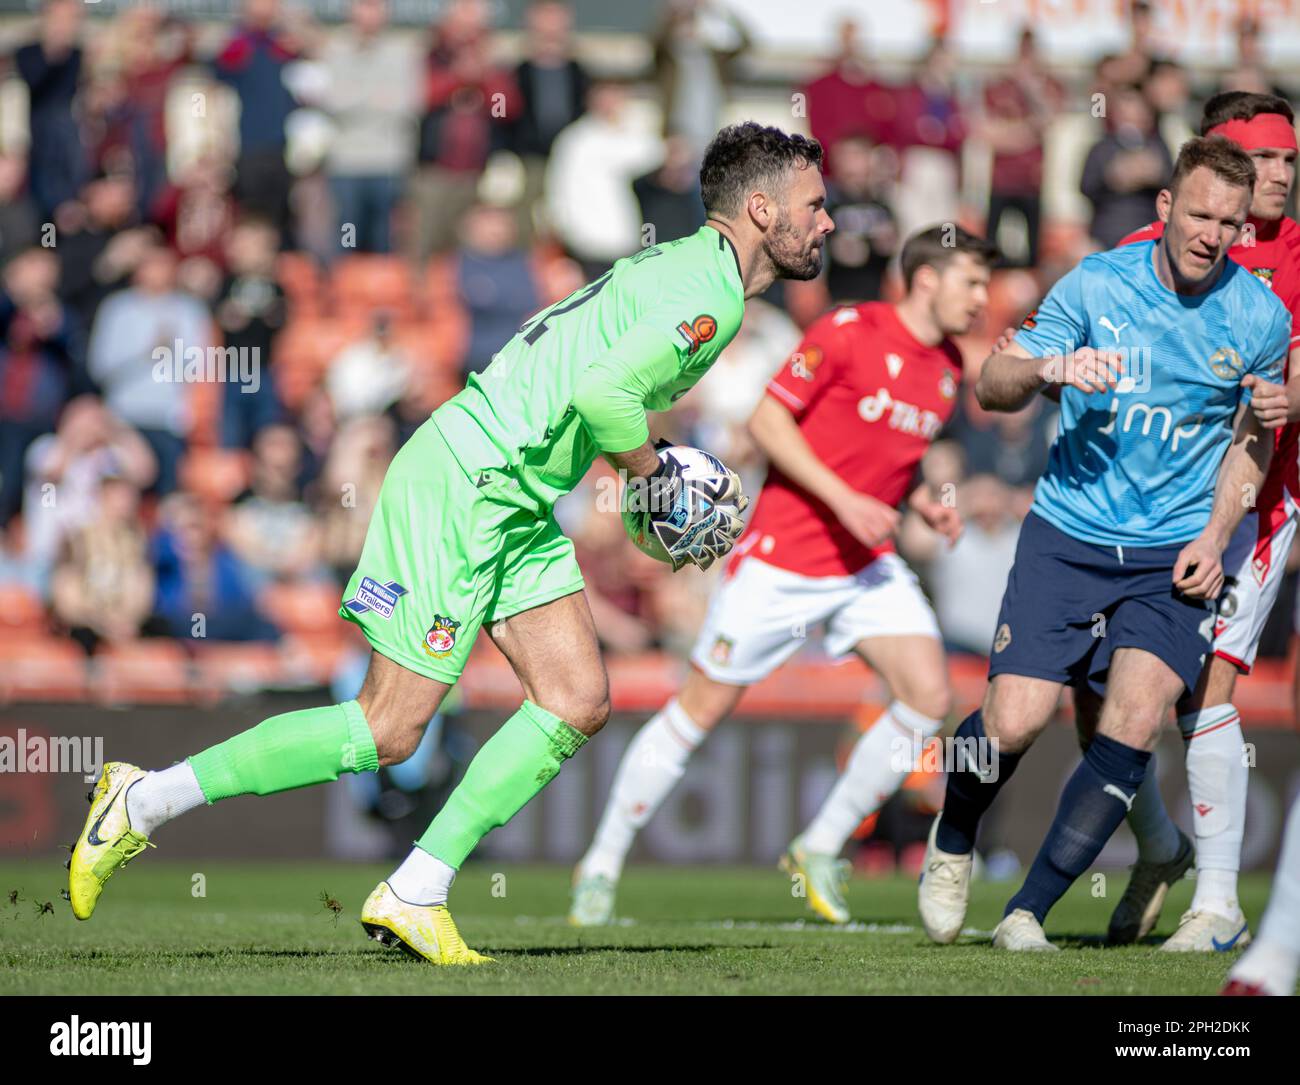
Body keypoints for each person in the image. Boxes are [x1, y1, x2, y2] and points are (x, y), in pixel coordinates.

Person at [68, 122, 835, 965]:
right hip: (469, 481)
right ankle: (142, 801)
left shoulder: (688, 267)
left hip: (515, 496)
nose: (828, 222)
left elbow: (596, 398)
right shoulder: (712, 295)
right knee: (388, 729)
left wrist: (644, 496)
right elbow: (603, 392)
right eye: (815, 205)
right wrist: (656, 473)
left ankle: (416, 889)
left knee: (576, 697)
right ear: (761, 209)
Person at [917, 135, 1287, 951]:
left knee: (1133, 719)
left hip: (1169, 555)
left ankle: (1027, 912)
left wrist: (1218, 532)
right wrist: (1051, 368)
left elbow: (1250, 443)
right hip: (1068, 534)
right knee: (1011, 722)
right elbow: (993, 381)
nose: (1211, 233)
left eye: (1229, 221)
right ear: (1164, 209)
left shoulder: (1259, 317)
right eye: (1198, 213)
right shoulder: (1094, 282)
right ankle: (952, 839)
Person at [570, 225, 993, 926]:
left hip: (862, 562)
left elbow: (887, 455)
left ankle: (820, 845)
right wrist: (848, 500)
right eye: (971, 281)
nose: (982, 299)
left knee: (928, 692)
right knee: (698, 711)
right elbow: (769, 423)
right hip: (783, 556)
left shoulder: (948, 365)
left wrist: (915, 498)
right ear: (926, 279)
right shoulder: (849, 330)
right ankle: (601, 863)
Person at [1104, 92, 1300, 951]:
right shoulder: (1147, 252)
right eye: (1262, 159)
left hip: (1256, 500)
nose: (1281, 177)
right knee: (1101, 694)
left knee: (1211, 682)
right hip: (1144, 504)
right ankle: (1158, 842)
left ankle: (1218, 903)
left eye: (1290, 161)